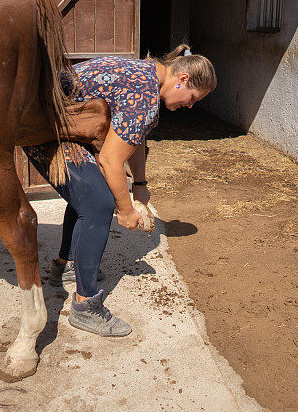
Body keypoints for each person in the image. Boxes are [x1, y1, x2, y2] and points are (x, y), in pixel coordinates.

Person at [23, 44, 216, 336]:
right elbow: (111, 160)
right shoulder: (145, 95)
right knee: (99, 204)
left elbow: (133, 139)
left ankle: (64, 265)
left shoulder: (146, 76)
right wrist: (125, 210)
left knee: (89, 196)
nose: (190, 106)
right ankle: (85, 306)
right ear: (184, 79)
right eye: (192, 99)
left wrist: (139, 186)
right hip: (43, 131)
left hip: (62, 127)